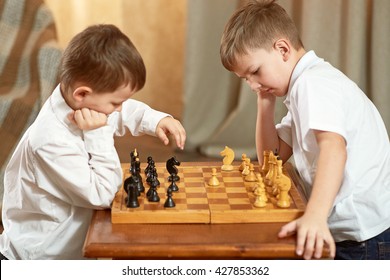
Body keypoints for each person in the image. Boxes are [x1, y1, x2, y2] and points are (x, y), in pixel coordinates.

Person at [220, 0, 390, 259]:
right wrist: (264, 101)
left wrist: (315, 215)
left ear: (283, 49)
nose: (252, 84)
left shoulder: (313, 84)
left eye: (255, 72)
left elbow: (334, 148)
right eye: (246, 79)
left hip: (363, 238)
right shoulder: (304, 85)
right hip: (357, 231)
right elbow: (272, 157)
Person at [0, 24, 186, 259]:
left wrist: (156, 119)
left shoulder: (78, 101)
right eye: (115, 103)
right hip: (41, 259)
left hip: (71, 247)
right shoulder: (50, 141)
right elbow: (104, 194)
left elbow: (120, 110)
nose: (119, 109)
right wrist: (99, 133)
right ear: (82, 94)